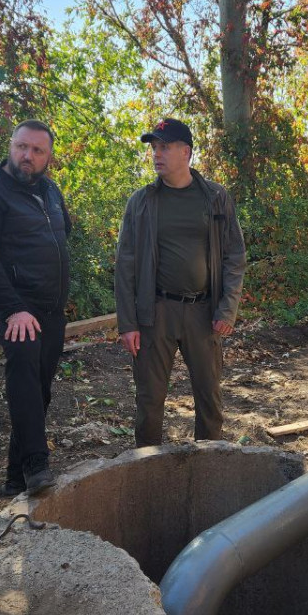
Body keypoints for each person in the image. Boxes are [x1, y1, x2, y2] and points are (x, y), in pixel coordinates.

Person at [115, 118, 246, 447]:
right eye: (154, 148)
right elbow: (126, 264)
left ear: (185, 152)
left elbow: (234, 256)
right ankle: (148, 472)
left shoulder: (215, 198)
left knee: (209, 400)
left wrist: (227, 309)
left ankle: (209, 466)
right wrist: (128, 323)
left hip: (203, 313)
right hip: (155, 313)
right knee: (149, 402)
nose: (156, 154)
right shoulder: (141, 202)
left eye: (164, 147)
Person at [0, 120, 71, 496]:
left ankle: (14, 478)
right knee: (24, 368)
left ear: (48, 157)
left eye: (37, 150)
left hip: (50, 307)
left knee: (39, 390)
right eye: (21, 147)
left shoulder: (50, 191)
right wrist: (13, 309)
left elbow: (61, 237)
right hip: (11, 303)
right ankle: (36, 464)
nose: (27, 156)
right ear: (10, 146)